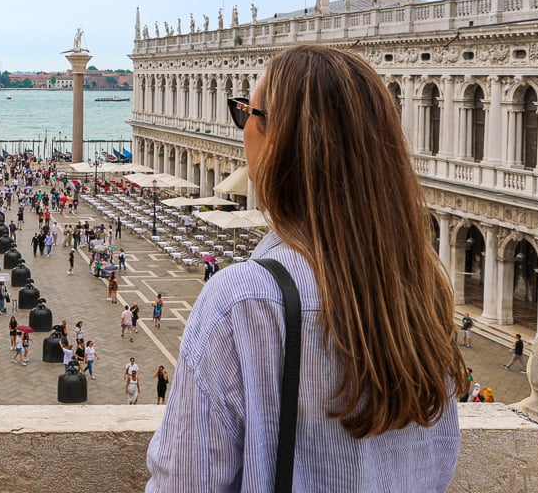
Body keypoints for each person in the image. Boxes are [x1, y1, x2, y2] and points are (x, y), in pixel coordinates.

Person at [147, 44, 467, 492]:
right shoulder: (424, 292)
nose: (242, 131)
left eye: (245, 114)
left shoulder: (241, 301)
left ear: (276, 137)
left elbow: (183, 484)